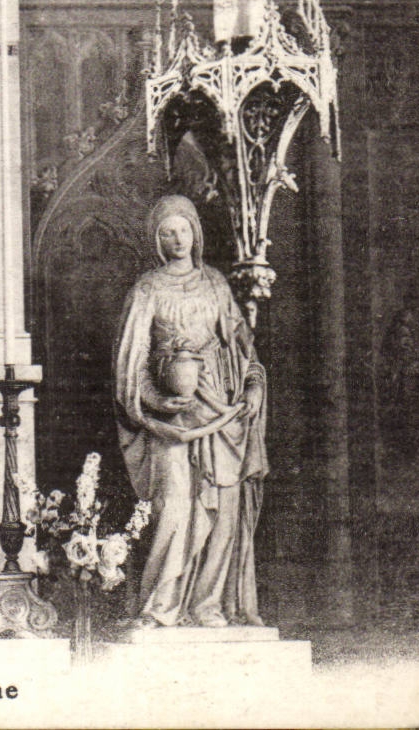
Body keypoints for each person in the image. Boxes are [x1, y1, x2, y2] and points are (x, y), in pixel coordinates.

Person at [115, 194, 267, 628]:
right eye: (167, 232)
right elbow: (131, 363)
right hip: (171, 416)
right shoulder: (147, 289)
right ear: (156, 239)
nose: (177, 239)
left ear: (195, 233)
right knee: (176, 507)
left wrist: (253, 384)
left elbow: (243, 347)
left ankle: (207, 604)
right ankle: (160, 607)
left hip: (223, 407)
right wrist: (159, 401)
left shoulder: (216, 283)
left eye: (183, 229)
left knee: (225, 508)